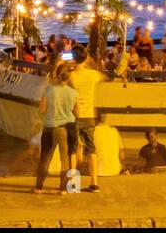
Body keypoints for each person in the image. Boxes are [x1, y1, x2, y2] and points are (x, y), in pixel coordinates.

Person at [33, 63, 78, 193]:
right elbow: (77, 112)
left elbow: (42, 109)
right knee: (64, 159)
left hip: (49, 127)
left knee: (45, 158)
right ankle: (63, 189)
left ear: (57, 76)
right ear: (68, 77)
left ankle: (38, 187)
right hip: (65, 128)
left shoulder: (48, 90)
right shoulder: (73, 93)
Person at [70, 49, 105, 193]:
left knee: (72, 150)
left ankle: (73, 184)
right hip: (89, 115)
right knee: (91, 149)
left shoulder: (71, 76)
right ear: (86, 58)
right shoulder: (93, 75)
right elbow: (103, 76)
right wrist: (89, 62)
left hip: (74, 116)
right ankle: (94, 183)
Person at [91, 113, 124, 178]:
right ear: (106, 118)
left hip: (97, 172)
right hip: (114, 171)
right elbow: (122, 154)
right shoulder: (114, 130)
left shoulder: (91, 131)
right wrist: (123, 167)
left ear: (94, 118)